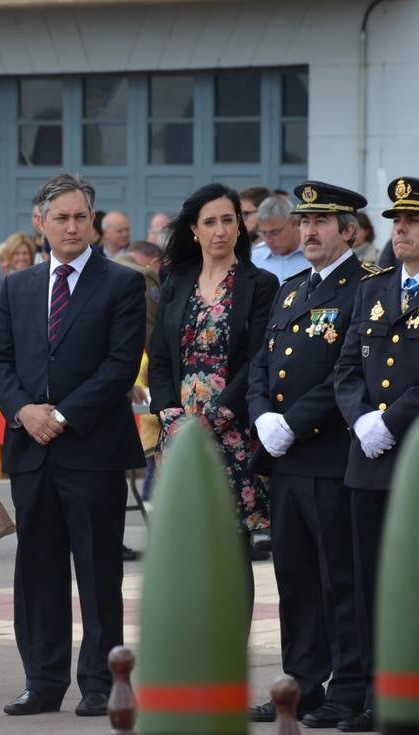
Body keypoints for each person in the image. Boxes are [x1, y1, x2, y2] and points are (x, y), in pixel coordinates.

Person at [0, 172, 146, 717]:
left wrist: (62, 413)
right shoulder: (16, 287)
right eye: (62, 217)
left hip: (93, 449)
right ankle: (43, 680)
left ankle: (100, 681)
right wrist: (24, 411)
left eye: (81, 217)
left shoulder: (122, 284)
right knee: (38, 570)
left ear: (94, 221)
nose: (73, 226)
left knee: (99, 570)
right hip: (32, 450)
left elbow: (120, 366)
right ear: (41, 223)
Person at [332, 176, 419, 733]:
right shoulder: (374, 287)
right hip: (368, 455)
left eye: (413, 220)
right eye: (395, 221)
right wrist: (362, 418)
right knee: (369, 582)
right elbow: (346, 366)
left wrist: (391, 420)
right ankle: (379, 694)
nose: (400, 229)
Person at [247, 181, 374, 727]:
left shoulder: (366, 287)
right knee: (294, 576)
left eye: (323, 222)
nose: (310, 231)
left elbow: (348, 370)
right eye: (305, 222)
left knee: (337, 577)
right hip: (286, 459)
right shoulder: (292, 287)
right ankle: (301, 680)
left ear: (349, 231)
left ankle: (348, 685)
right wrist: (261, 415)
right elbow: (261, 363)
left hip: (329, 455)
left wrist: (293, 422)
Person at [148, 183, 277, 569]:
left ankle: (234, 632)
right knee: (187, 550)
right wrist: (170, 416)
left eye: (228, 220)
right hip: (179, 432)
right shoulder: (176, 282)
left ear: (240, 226)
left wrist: (214, 420)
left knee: (231, 554)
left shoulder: (260, 285)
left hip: (231, 432)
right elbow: (159, 357)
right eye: (210, 222)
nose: (220, 230)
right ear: (194, 230)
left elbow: (258, 361)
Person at [250, 194, 308, 283]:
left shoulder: (314, 255)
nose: (268, 240)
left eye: (274, 232)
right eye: (264, 233)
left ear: (294, 223)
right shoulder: (254, 258)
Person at [0, 232, 36, 335]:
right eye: (16, 253)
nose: (21, 258)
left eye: (25, 253)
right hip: (2, 334)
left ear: (31, 255)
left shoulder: (39, 280)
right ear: (9, 256)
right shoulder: (0, 282)